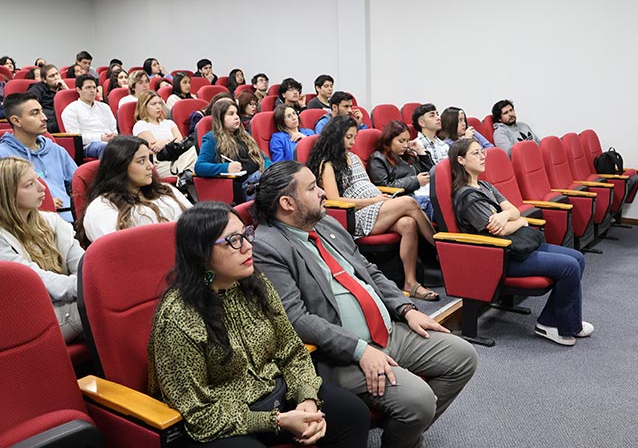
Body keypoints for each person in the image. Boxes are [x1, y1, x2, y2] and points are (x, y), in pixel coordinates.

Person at [252, 161, 478, 448]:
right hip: (340, 354)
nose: (323, 192)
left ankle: (402, 434)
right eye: (312, 188)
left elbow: (369, 270)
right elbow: (296, 319)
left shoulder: (325, 223)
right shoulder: (267, 247)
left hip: (387, 330)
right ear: (287, 203)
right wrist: (360, 351)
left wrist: (406, 310)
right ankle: (406, 430)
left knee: (463, 356)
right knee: (419, 402)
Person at [147, 201, 370, 447]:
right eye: (233, 241)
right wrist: (277, 421)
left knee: (352, 413)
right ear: (200, 255)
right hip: (220, 422)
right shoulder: (179, 315)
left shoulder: (253, 282)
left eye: (245, 235)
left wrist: (307, 399)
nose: (247, 246)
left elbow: (292, 350)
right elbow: (199, 415)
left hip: (274, 394)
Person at [450, 137, 594, 346]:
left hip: (516, 246)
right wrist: (519, 221)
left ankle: (559, 321)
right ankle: (555, 325)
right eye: (476, 153)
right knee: (569, 267)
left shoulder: (485, 185)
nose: (482, 156)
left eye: (482, 151)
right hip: (499, 256)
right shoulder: (468, 196)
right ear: (461, 160)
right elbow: (501, 231)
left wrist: (506, 216)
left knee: (577, 258)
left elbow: (514, 209)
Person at [307, 115, 439, 301]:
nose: (353, 142)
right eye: (348, 137)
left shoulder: (353, 157)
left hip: (376, 204)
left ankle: (411, 283)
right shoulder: (328, 164)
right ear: (336, 136)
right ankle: (439, 250)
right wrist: (373, 201)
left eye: (354, 137)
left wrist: (380, 197)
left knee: (408, 223)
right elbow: (334, 200)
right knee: (410, 203)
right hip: (356, 215)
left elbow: (367, 185)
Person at [0, 157, 84, 343]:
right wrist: (87, 287)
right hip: (25, 318)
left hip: (63, 304)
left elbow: (82, 263)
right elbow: (34, 280)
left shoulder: (51, 221)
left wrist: (94, 282)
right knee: (95, 307)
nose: (42, 188)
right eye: (30, 184)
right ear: (7, 194)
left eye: (37, 179)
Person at [78, 136, 191, 245]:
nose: (151, 166)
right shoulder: (102, 206)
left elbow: (195, 223)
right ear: (121, 166)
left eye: (149, 159)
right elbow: (119, 251)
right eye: (141, 161)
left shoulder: (166, 189)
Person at [0, 93, 77, 222]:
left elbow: (77, 185)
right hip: (29, 224)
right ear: (16, 121)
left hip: (69, 220)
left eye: (41, 111)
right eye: (34, 113)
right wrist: (43, 203)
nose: (44, 117)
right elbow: (5, 201)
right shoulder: (4, 155)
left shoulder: (55, 149)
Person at [195, 98, 268, 203]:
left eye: (237, 113)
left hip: (261, 177)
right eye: (231, 114)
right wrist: (226, 167)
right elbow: (199, 167)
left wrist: (269, 171)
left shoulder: (244, 135)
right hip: (246, 185)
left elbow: (263, 157)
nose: (236, 117)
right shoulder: (212, 138)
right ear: (220, 118)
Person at [368, 120, 434, 219]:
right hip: (404, 199)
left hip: (422, 194)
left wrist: (421, 152)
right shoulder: (378, 158)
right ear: (389, 140)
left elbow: (431, 172)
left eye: (407, 141)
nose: (405, 145)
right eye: (401, 141)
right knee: (439, 206)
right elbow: (384, 187)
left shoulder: (407, 155)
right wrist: (416, 181)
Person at [132, 90, 197, 178]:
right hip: (160, 162)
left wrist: (164, 142)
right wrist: (170, 142)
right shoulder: (140, 125)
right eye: (153, 104)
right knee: (194, 165)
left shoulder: (169, 123)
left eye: (160, 103)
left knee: (194, 150)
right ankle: (185, 174)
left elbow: (180, 143)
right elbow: (155, 147)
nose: (158, 107)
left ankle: (185, 175)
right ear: (144, 107)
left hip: (177, 157)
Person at [61, 74, 117, 159]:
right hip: (89, 145)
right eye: (88, 87)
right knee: (105, 148)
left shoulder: (105, 107)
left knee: (133, 145)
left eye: (94, 87)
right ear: (78, 90)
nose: (92, 91)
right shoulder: (71, 110)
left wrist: (113, 136)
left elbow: (114, 129)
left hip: (110, 141)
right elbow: (76, 138)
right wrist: (100, 138)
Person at [28, 64, 69, 133]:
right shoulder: (37, 89)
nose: (56, 78)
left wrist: (66, 89)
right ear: (44, 80)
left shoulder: (63, 88)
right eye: (52, 76)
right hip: (47, 122)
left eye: (57, 74)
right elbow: (31, 105)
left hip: (64, 120)